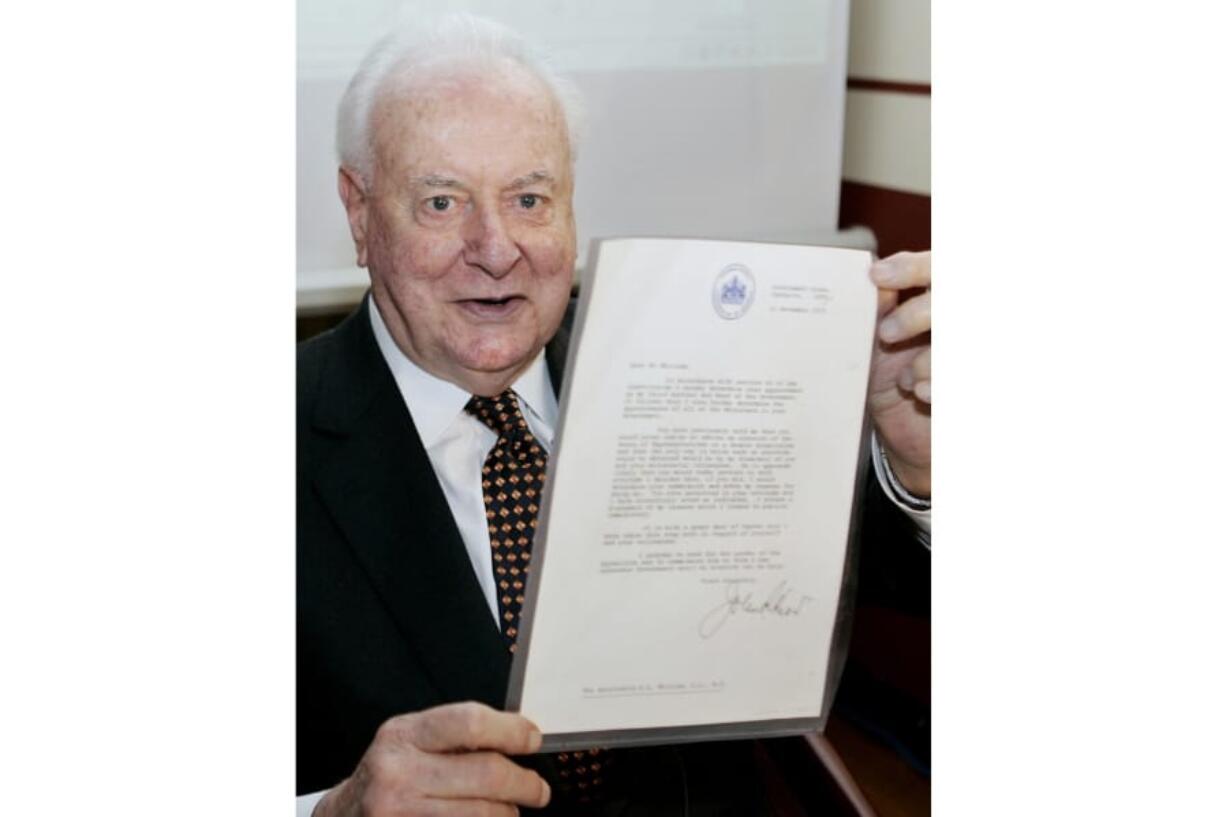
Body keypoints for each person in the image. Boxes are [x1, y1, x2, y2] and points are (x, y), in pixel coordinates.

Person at [298, 14, 931, 816]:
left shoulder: (693, 370)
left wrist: (914, 472)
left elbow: (876, 596)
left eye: (529, 198)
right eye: (441, 201)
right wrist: (327, 809)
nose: (495, 248)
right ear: (359, 212)